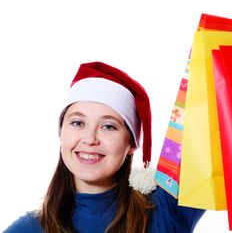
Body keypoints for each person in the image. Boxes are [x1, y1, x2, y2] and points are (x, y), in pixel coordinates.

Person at [4, 61, 205, 233]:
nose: (90, 139)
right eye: (77, 123)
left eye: (108, 126)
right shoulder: (29, 228)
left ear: (132, 144)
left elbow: (212, 114)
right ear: (61, 132)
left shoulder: (166, 206)